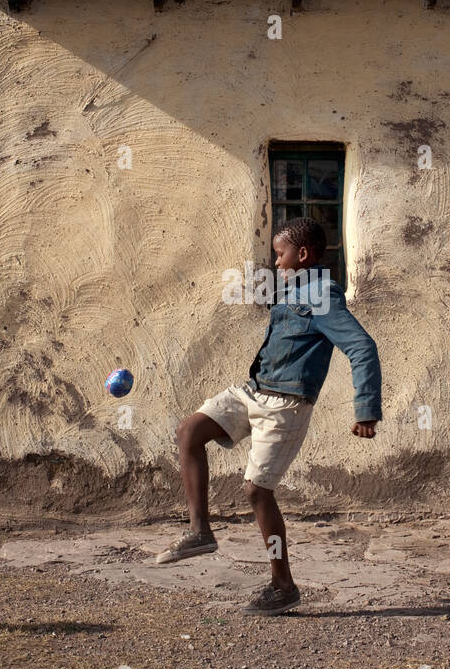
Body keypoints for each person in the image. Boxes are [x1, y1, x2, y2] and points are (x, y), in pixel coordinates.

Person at [156, 217, 383, 615]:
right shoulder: (293, 290)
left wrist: (366, 410)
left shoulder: (322, 297)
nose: (276, 263)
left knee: (257, 492)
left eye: (280, 255)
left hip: (286, 405)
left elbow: (362, 347)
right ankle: (199, 532)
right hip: (253, 390)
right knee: (189, 430)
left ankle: (283, 586)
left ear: (303, 254)